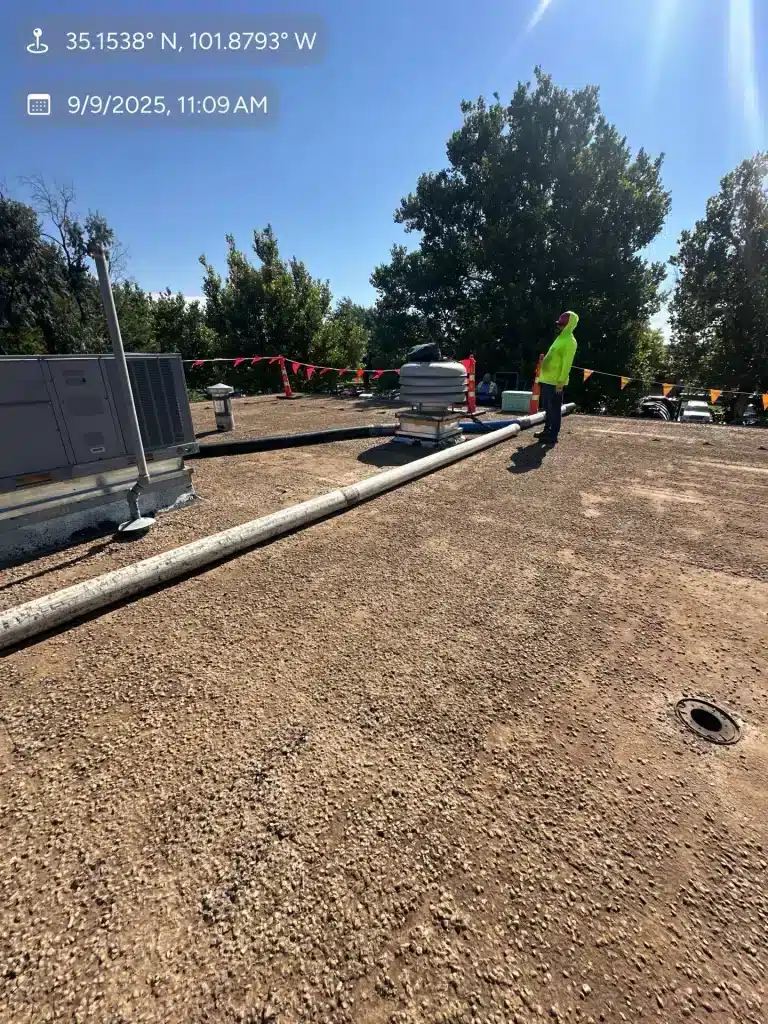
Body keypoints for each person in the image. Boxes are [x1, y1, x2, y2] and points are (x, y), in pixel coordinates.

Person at [534, 310, 579, 444]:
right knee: (548, 408)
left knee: (554, 408)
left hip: (555, 381)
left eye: (561, 324)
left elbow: (567, 364)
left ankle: (553, 435)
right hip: (547, 379)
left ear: (568, 325)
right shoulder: (560, 338)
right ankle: (546, 430)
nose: (558, 327)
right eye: (559, 324)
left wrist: (560, 382)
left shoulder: (570, 341)